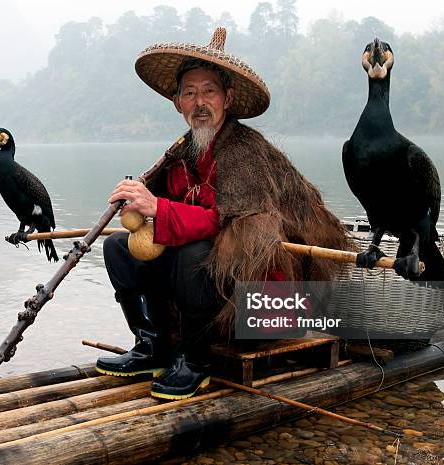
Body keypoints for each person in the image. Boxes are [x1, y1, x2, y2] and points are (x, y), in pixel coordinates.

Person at [96, 28, 350, 400]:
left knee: (193, 253)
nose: (200, 102)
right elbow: (160, 221)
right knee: (119, 248)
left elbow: (234, 223)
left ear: (227, 98)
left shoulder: (245, 150)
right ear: (176, 103)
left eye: (209, 91)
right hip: (209, 300)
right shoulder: (183, 154)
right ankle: (155, 348)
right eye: (189, 92)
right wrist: (141, 209)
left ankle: (196, 364)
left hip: (263, 311)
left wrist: (158, 209)